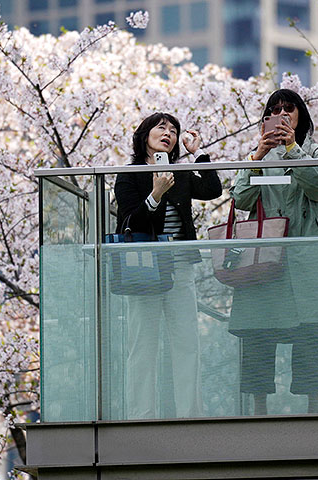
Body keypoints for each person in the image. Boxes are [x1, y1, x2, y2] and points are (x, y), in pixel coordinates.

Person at [229, 89, 318, 415]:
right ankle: (258, 411)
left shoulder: (316, 151)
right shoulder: (257, 157)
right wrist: (256, 157)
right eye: (275, 109)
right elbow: (239, 199)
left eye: (289, 109)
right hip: (263, 260)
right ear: (265, 118)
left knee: (310, 331)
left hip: (305, 260)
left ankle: (314, 408)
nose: (282, 114)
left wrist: (293, 151)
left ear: (301, 117)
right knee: (257, 331)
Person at [114, 112, 222, 419]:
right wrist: (155, 194)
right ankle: (141, 417)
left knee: (187, 341)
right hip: (144, 266)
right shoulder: (129, 173)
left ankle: (190, 415)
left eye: (173, 130)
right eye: (161, 127)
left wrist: (198, 154)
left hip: (180, 264)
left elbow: (213, 190)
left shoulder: (179, 172)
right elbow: (130, 220)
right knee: (143, 344)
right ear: (144, 134)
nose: (169, 132)